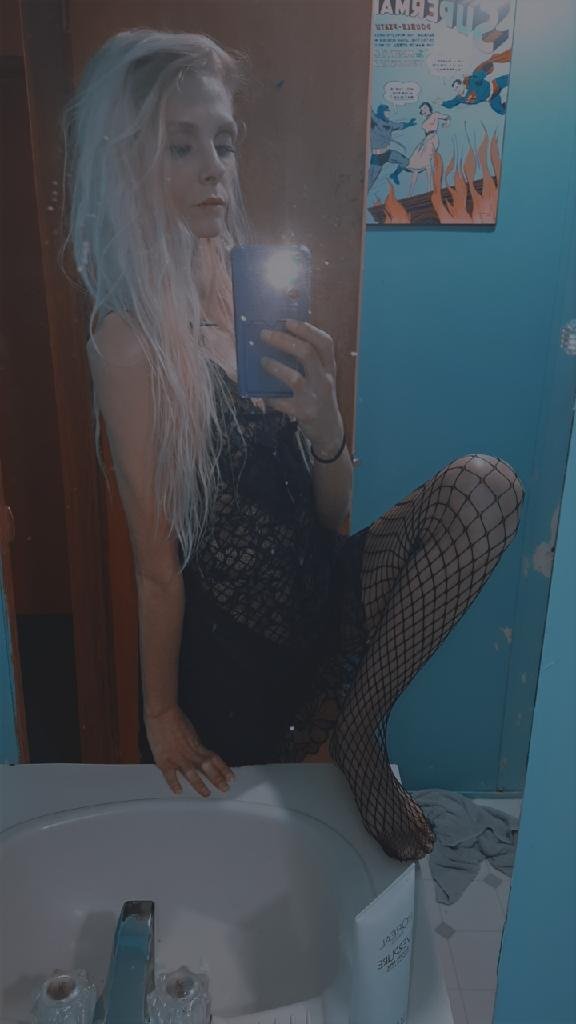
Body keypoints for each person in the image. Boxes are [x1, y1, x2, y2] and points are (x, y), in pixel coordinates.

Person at [60, 29, 524, 862]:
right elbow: (156, 565)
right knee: (254, 872)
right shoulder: (128, 343)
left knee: (485, 490)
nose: (215, 168)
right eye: (182, 145)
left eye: (224, 142)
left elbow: (331, 517)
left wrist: (326, 424)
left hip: (326, 600)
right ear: (128, 163)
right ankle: (339, 743)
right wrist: (160, 714)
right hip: (240, 652)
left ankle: (359, 729)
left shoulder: (247, 292)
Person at [390, 102, 450, 196]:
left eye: (424, 108)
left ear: (428, 107)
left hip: (432, 138)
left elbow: (447, 117)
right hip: (426, 139)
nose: (423, 110)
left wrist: (447, 123)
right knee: (415, 162)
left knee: (426, 161)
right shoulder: (425, 119)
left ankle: (429, 189)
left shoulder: (435, 115)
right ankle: (410, 193)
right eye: (422, 109)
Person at [368, 103, 416, 193]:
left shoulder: (390, 124)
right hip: (377, 157)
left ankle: (394, 175)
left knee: (405, 161)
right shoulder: (375, 121)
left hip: (387, 153)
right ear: (382, 112)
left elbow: (400, 125)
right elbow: (370, 112)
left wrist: (409, 123)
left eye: (388, 112)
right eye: (386, 112)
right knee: (370, 179)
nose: (388, 114)